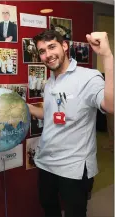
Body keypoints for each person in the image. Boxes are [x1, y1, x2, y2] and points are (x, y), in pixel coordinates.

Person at [28, 30, 113, 217]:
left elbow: (110, 106)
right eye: (42, 51)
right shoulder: (51, 81)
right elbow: (50, 114)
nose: (47, 55)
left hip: (74, 169)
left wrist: (107, 56)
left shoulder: (88, 77)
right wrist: (25, 107)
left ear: (64, 46)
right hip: (46, 163)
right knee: (49, 208)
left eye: (52, 47)